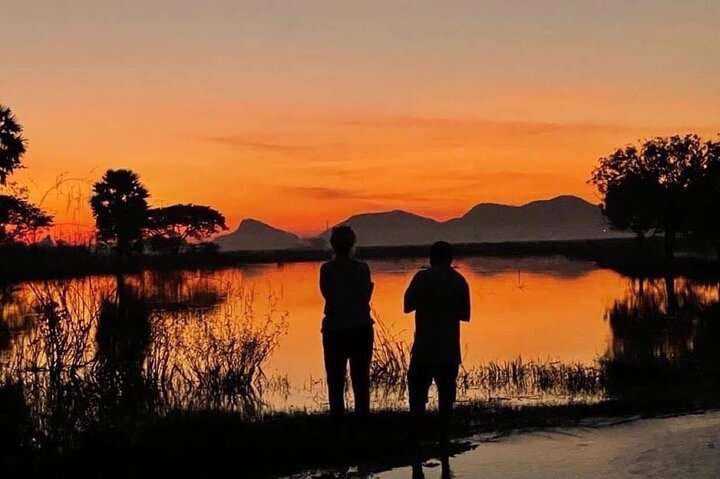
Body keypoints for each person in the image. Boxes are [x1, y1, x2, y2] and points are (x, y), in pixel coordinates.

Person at [404, 241, 470, 438]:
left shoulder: (421, 278)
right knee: (446, 399)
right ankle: (444, 439)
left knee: (416, 399)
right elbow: (465, 314)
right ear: (451, 259)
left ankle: (416, 439)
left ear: (430, 258)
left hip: (424, 348)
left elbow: (407, 306)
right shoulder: (459, 280)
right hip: (448, 349)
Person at [319, 225, 374, 418]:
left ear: (333, 245)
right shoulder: (362, 269)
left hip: (334, 328)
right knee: (361, 379)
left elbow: (327, 295)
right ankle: (362, 419)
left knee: (335, 380)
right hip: (360, 327)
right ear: (352, 244)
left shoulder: (326, 269)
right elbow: (365, 296)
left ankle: (338, 420)